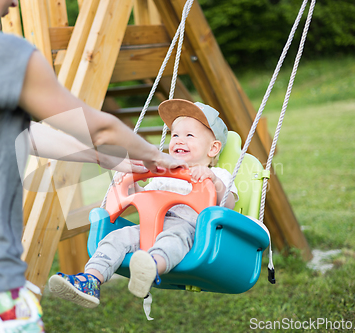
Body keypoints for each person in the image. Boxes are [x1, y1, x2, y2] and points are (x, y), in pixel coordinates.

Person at [0, 0, 187, 330]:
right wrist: (156, 156)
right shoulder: (0, 52)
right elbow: (99, 129)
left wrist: (104, 158)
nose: (13, 3)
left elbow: (18, 134)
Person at [48, 99, 239, 308]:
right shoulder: (164, 174)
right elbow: (145, 198)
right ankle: (91, 280)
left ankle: (151, 267)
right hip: (150, 228)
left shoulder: (219, 175)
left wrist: (212, 179)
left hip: (191, 231)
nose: (179, 140)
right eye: (175, 135)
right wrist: (130, 185)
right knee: (115, 238)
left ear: (213, 148)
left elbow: (226, 204)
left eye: (189, 135)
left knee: (173, 238)